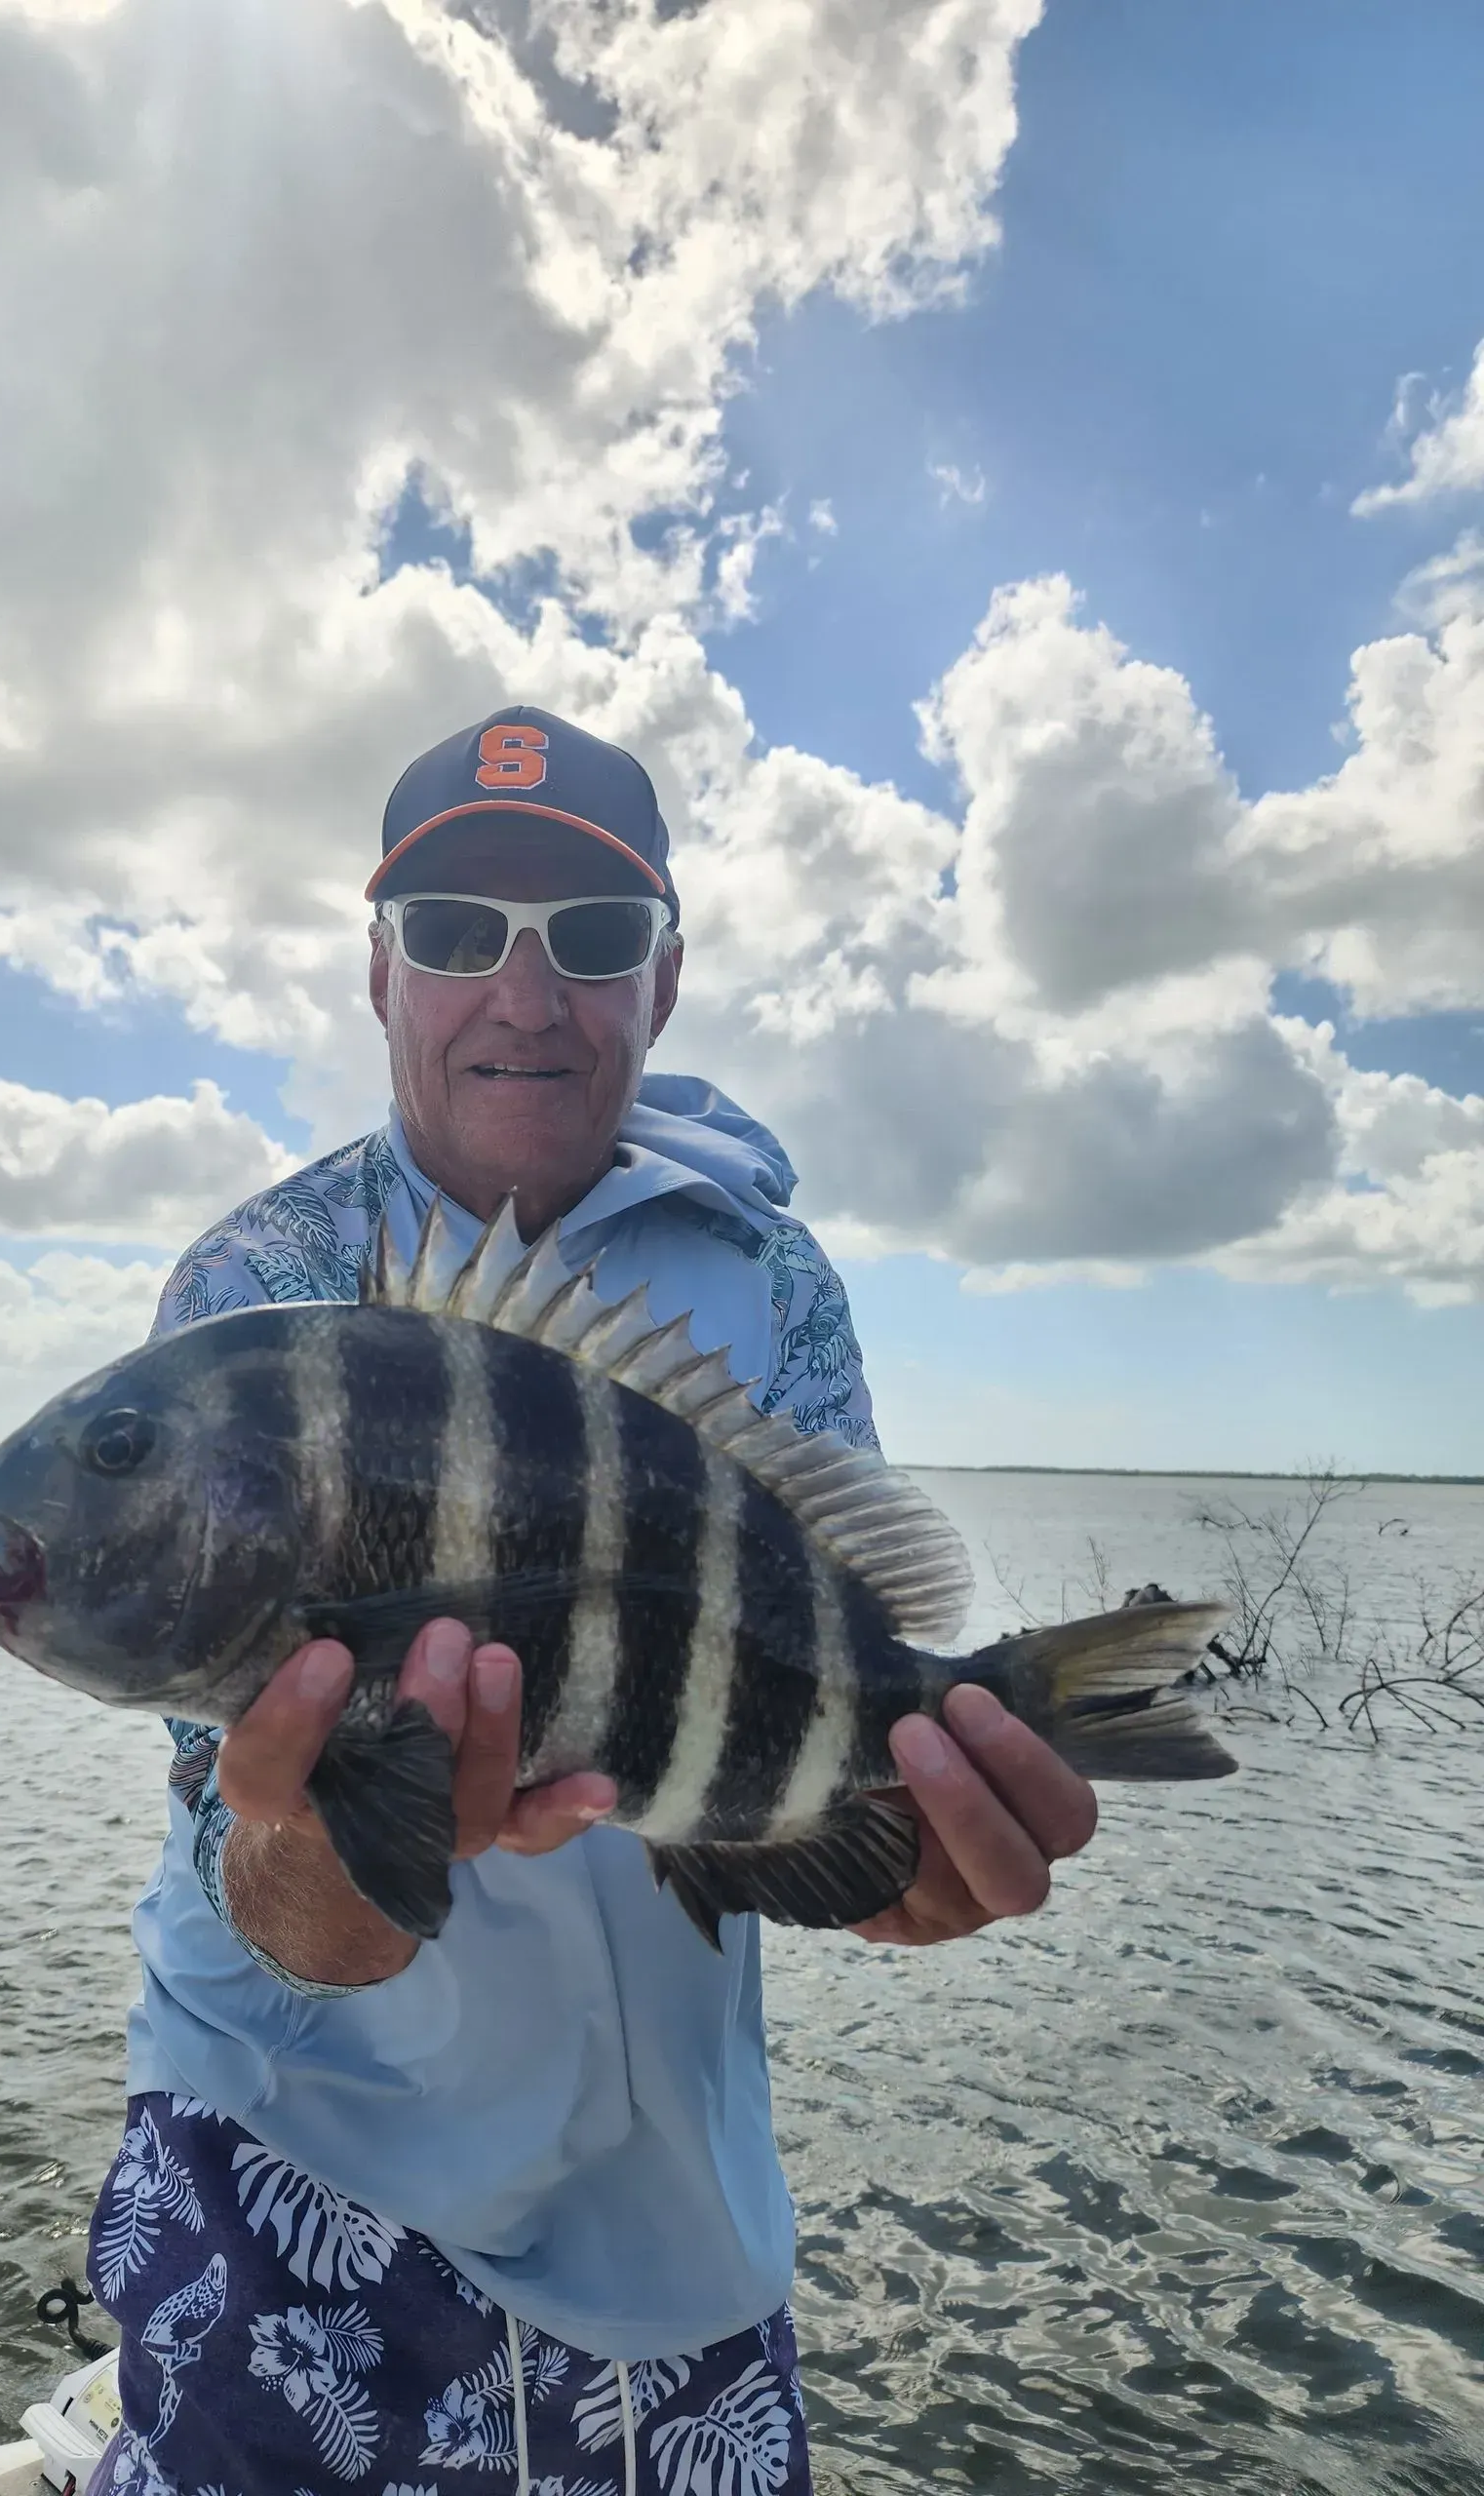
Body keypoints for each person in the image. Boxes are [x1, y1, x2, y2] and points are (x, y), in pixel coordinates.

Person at [88, 709, 1098, 2496]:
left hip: (670, 2230)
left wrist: (893, 1855)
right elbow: (241, 1844)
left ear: (665, 980)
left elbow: (800, 1681)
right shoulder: (268, 1286)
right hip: (293, 2172)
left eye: (593, 935)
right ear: (382, 971)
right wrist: (335, 1851)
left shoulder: (772, 1283)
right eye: (458, 929)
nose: (526, 992)